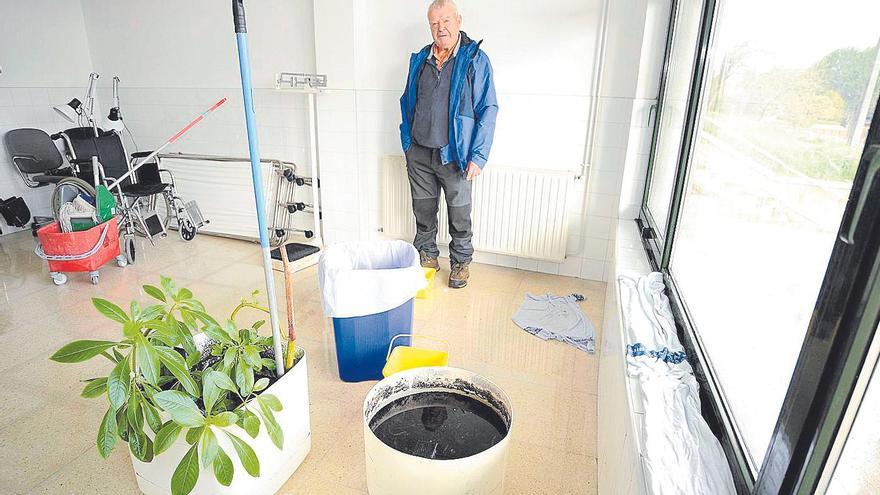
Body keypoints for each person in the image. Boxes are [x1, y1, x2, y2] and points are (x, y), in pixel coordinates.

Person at [399, 0, 498, 289]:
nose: (440, 28)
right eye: (434, 23)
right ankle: (427, 256)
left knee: (460, 213)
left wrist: (478, 156)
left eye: (445, 21)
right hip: (419, 152)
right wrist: (408, 142)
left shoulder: (475, 59)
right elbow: (407, 101)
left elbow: (488, 108)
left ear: (458, 20)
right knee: (423, 211)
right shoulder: (420, 59)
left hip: (455, 154)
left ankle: (460, 263)